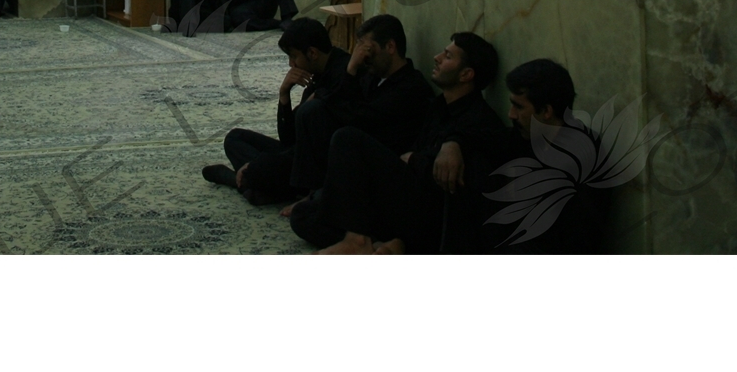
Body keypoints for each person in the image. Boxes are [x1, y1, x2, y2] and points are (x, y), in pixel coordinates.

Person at [296, 30, 510, 254]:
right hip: (407, 201)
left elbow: (448, 185)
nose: (437, 57)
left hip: (430, 216)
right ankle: (387, 244)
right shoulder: (439, 107)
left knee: (347, 139)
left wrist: (418, 158)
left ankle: (359, 240)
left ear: (466, 74)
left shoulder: (478, 119)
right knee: (305, 216)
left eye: (447, 56)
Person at [282, 13, 436, 231]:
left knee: (303, 215)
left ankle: (321, 200)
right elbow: (343, 108)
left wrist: (351, 71)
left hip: (380, 175)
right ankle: (311, 192)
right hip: (349, 166)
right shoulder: (372, 77)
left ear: (390, 47)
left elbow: (357, 120)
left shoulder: (410, 87)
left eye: (368, 50)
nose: (364, 57)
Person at [201, 18, 349, 204]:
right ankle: (256, 185)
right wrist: (284, 94)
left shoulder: (342, 75)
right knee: (234, 138)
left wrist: (257, 164)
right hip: (295, 152)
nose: (291, 64)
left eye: (294, 57)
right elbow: (289, 138)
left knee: (259, 170)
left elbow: (309, 146)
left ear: (312, 53)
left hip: (315, 162)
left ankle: (241, 181)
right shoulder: (316, 74)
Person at [487, 58, 611, 254]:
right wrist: (453, 143)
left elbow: (578, 237)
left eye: (518, 107)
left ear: (546, 111)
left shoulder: (582, 158)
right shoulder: (524, 137)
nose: (511, 114)